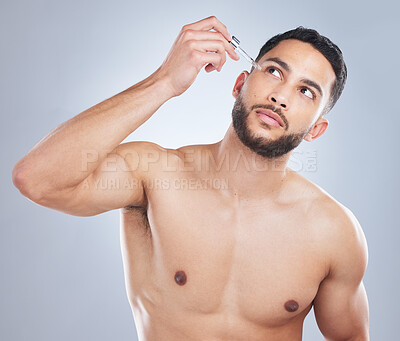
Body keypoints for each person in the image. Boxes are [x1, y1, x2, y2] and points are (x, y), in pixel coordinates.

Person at [12, 16, 369, 341]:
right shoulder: (154, 174)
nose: (280, 96)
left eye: (306, 91)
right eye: (274, 72)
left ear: (316, 130)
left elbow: (351, 336)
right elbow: (37, 179)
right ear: (240, 83)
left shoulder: (334, 231)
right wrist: (164, 81)